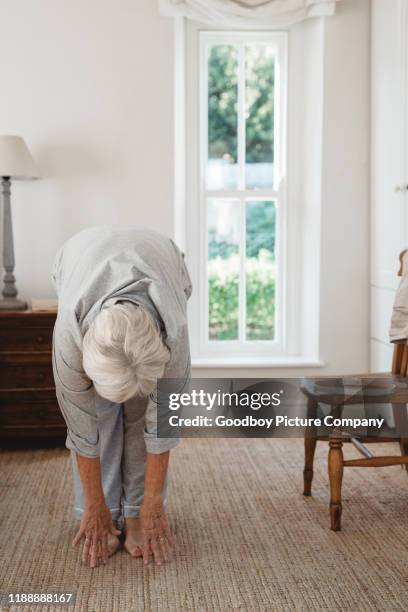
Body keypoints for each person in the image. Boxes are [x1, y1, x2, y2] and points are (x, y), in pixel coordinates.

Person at [51, 226, 192, 568]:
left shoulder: (173, 334)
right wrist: (94, 505)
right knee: (101, 417)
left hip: (163, 262)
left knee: (140, 412)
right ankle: (105, 514)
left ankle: (132, 516)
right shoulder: (70, 334)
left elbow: (161, 429)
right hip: (78, 259)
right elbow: (83, 434)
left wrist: (152, 504)